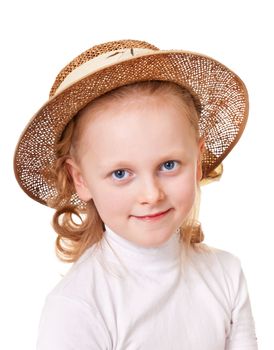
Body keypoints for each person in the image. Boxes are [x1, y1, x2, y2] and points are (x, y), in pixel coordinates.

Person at [14, 39, 258, 349]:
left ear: (197, 161)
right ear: (81, 179)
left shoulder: (226, 275)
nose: (151, 194)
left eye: (168, 165)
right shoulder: (78, 307)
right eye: (121, 173)